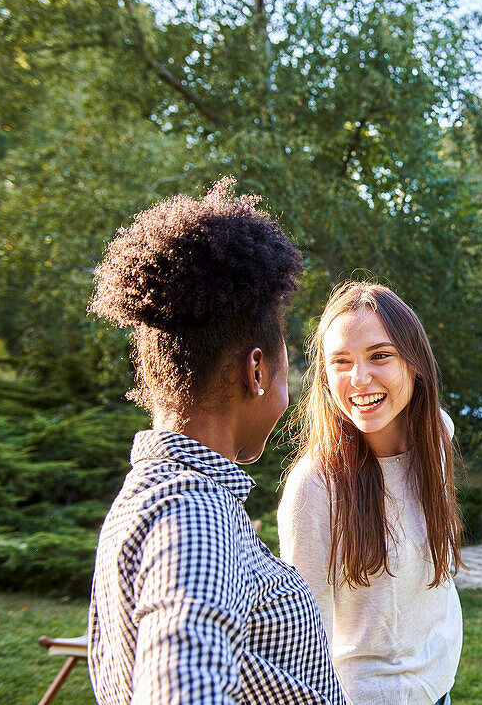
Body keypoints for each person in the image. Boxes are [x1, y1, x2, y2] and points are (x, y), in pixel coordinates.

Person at [86, 179, 345, 705]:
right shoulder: (195, 512)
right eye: (285, 370)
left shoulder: (158, 493)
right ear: (256, 370)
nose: (286, 394)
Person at [278, 281, 462, 705]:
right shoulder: (315, 487)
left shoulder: (438, 435)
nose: (359, 379)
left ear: (414, 363)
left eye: (379, 355)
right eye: (340, 362)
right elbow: (303, 634)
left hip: (440, 686)